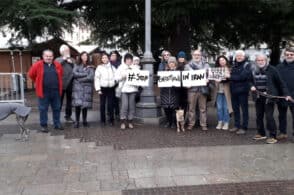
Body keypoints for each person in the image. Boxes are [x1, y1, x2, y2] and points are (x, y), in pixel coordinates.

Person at [250, 53, 291, 144]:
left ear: (266, 60)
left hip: (269, 97)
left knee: (269, 117)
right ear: (256, 61)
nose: (260, 62)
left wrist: (286, 94)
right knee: (259, 116)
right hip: (258, 96)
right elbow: (250, 80)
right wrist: (251, 86)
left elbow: (281, 83)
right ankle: (261, 133)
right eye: (258, 60)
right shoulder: (253, 69)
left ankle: (273, 135)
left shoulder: (272, 69)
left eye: (262, 60)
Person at [28, 49, 64, 132]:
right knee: (43, 109)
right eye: (47, 56)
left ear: (53, 57)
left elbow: (61, 74)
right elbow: (31, 74)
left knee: (57, 108)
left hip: (55, 91)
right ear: (43, 56)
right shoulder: (37, 65)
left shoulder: (57, 65)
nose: (49, 58)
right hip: (43, 91)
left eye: (50, 56)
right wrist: (37, 82)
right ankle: (44, 125)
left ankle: (57, 124)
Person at [185, 50, 210, 131]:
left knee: (203, 108)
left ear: (201, 55)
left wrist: (207, 79)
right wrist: (187, 84)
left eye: (198, 55)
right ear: (192, 55)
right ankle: (191, 124)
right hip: (192, 90)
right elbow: (185, 77)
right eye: (195, 55)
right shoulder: (188, 66)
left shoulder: (206, 65)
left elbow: (210, 75)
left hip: (202, 89)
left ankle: (203, 124)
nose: (196, 56)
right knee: (191, 108)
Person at [229, 50, 252, 135]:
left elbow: (242, 77)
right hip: (234, 91)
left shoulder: (247, 65)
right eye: (237, 55)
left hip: (243, 91)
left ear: (244, 56)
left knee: (244, 110)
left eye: (241, 56)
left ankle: (244, 127)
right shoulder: (234, 65)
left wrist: (230, 76)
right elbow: (233, 76)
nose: (239, 57)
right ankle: (237, 125)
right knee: (235, 109)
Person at [115, 53, 140, 130]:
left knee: (131, 106)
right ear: (125, 60)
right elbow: (116, 78)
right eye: (127, 60)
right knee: (124, 106)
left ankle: (130, 121)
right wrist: (122, 76)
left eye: (130, 60)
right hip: (124, 90)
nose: (129, 61)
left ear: (132, 60)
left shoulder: (135, 68)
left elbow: (139, 78)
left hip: (133, 89)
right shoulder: (120, 68)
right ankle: (122, 121)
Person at [72, 52, 95, 128]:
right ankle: (77, 121)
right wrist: (85, 74)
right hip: (78, 88)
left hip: (87, 88)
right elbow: (74, 74)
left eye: (86, 55)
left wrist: (80, 80)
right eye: (83, 55)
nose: (84, 57)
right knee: (78, 105)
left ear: (88, 57)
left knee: (85, 105)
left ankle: (85, 121)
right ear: (80, 57)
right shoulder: (77, 65)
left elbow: (91, 77)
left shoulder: (91, 66)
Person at [94, 52, 117, 126]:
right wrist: (98, 89)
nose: (104, 59)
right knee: (102, 105)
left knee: (110, 105)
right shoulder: (99, 67)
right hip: (102, 88)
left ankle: (111, 120)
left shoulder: (112, 67)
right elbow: (97, 79)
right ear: (101, 59)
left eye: (106, 57)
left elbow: (116, 77)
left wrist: (115, 82)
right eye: (103, 58)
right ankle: (103, 120)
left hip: (111, 88)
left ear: (108, 58)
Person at [276, 46, 294, 140]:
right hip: (282, 96)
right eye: (287, 54)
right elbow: (276, 82)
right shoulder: (279, 67)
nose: (289, 56)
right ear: (284, 55)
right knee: (281, 115)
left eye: (291, 54)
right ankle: (283, 132)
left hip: (293, 96)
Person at [212, 55, 232, 130]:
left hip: (227, 92)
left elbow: (231, 79)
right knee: (219, 108)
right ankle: (220, 121)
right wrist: (215, 80)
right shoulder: (216, 70)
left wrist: (226, 77)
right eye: (220, 60)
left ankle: (226, 122)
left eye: (223, 60)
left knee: (226, 108)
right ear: (218, 62)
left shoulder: (230, 69)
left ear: (226, 60)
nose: (222, 61)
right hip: (218, 91)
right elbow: (213, 79)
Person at [55, 44, 74, 123]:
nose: (67, 52)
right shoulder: (58, 59)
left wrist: (71, 63)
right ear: (61, 52)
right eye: (66, 50)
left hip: (70, 83)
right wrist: (64, 59)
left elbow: (75, 68)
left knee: (69, 101)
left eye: (68, 50)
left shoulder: (72, 60)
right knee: (59, 101)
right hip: (60, 84)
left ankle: (68, 116)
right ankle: (57, 118)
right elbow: (56, 67)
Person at [160, 56, 180, 128]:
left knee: (174, 109)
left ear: (175, 63)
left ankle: (174, 123)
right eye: (170, 62)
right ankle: (168, 121)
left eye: (173, 62)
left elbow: (180, 83)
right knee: (166, 109)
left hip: (174, 93)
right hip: (165, 93)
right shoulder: (164, 72)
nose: (171, 64)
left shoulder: (178, 72)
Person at [110, 50, 121, 120]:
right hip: (109, 84)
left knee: (116, 100)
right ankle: (109, 114)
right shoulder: (107, 64)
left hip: (117, 84)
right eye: (112, 55)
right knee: (109, 100)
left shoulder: (119, 64)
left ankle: (117, 113)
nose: (113, 57)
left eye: (114, 55)